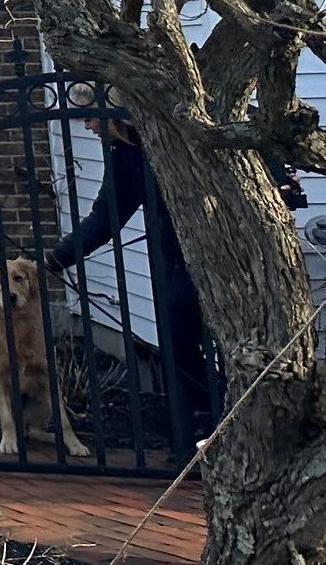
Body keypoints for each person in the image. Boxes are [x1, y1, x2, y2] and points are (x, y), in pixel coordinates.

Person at [51, 113, 217, 446]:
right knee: (181, 352)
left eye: (92, 118)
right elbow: (105, 217)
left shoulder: (192, 133)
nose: (88, 126)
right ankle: (197, 435)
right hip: (172, 268)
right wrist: (57, 258)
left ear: (114, 115)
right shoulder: (128, 156)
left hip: (223, 265)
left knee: (229, 351)